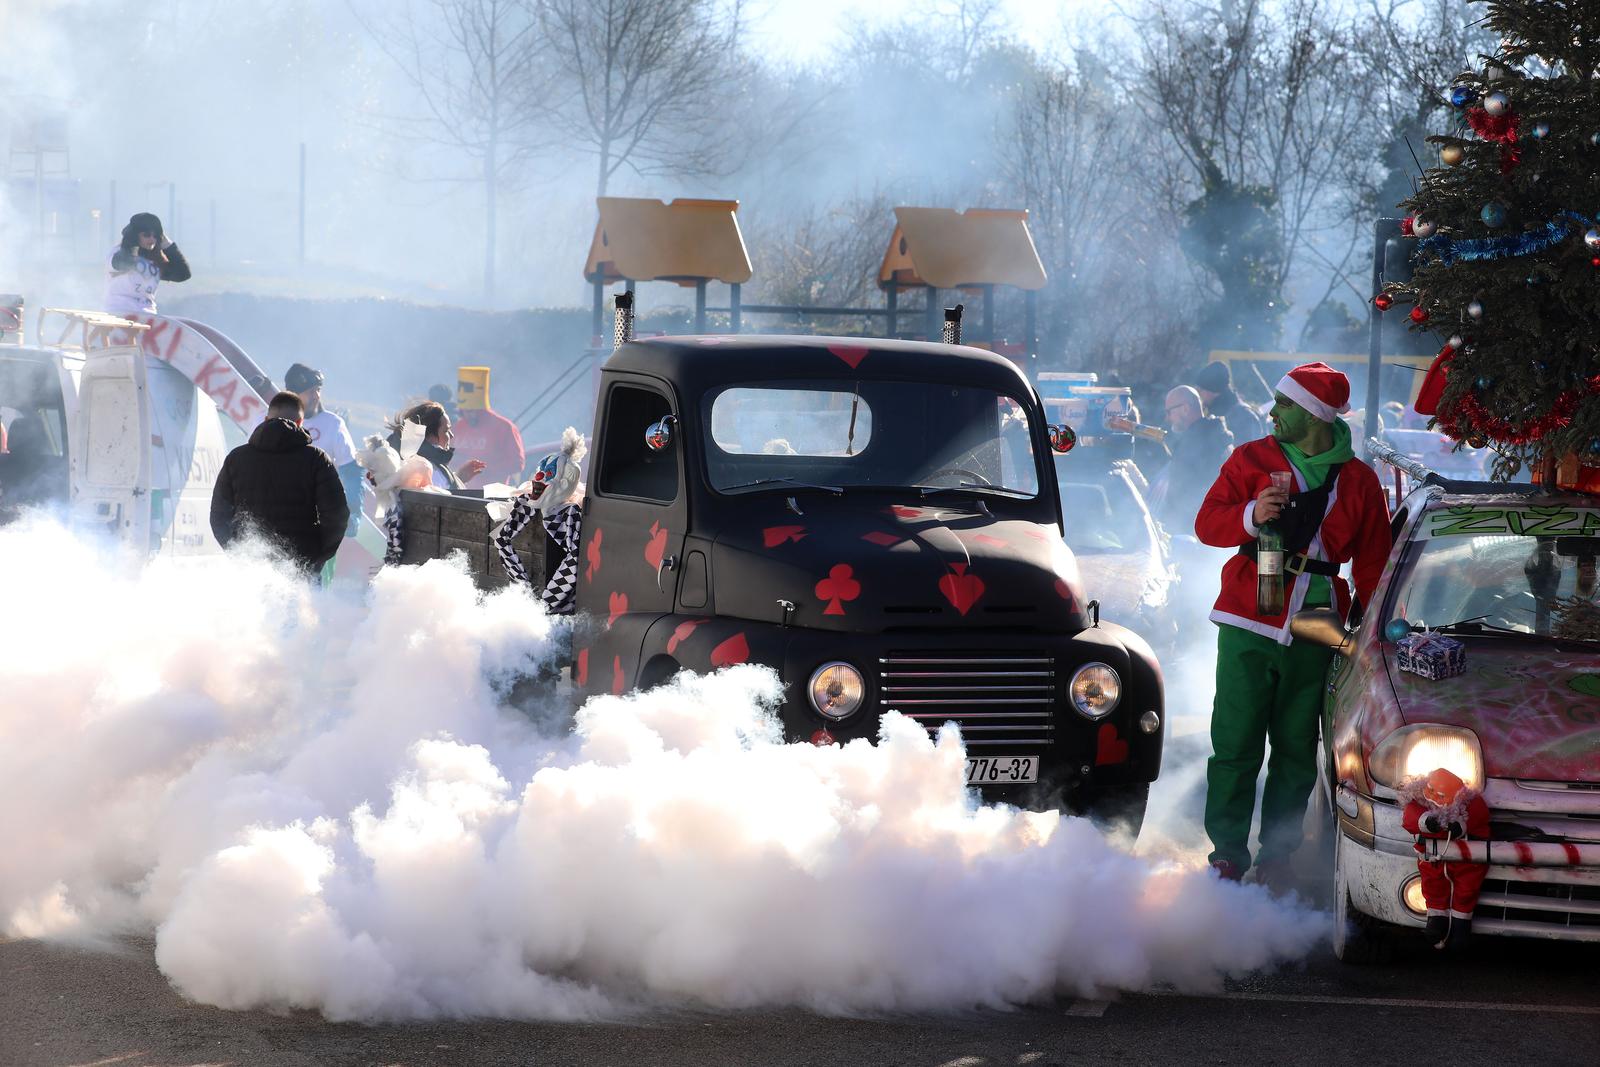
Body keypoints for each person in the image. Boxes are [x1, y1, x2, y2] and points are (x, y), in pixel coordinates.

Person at [1195, 362, 1390, 887]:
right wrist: (1250, 515)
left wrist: (1370, 635)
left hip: (1317, 627)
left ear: (1312, 414)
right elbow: (1206, 523)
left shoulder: (1360, 481)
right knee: (1234, 743)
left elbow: (1373, 564)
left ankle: (1277, 855)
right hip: (1246, 618)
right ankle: (1227, 854)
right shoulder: (1250, 458)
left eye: (1283, 405)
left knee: (1296, 751)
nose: (1271, 412)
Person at [210, 391, 349, 573]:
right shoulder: (316, 459)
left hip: (249, 566)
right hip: (301, 565)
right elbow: (336, 515)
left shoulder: (236, 458)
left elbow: (219, 515)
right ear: (300, 422)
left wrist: (237, 552)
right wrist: (316, 556)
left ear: (266, 419)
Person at [285, 363, 363, 542]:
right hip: (280, 516)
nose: (316, 396)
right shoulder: (270, 420)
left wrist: (352, 512)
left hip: (321, 522)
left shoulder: (333, 424)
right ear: (294, 394)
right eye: (310, 391)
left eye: (318, 390)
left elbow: (351, 471)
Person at [1155, 385, 1232, 528]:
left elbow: (1183, 495)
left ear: (1185, 408)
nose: (1167, 418)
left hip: (1195, 529)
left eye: (1169, 411)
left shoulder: (1197, 443)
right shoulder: (1214, 435)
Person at [386, 400, 486, 490]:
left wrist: (459, 478)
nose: (451, 435)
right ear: (429, 435)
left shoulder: (431, 465)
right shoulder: (418, 468)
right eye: (446, 430)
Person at [105, 212, 191, 317]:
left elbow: (183, 274)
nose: (152, 239)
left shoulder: (155, 259)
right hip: (120, 313)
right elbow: (124, 262)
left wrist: (167, 245)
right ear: (135, 235)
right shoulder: (117, 253)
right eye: (146, 235)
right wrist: (131, 241)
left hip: (148, 316)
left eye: (156, 236)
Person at [451, 365, 525, 485]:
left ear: (481, 408)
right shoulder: (457, 427)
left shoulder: (504, 427)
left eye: (472, 410)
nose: (468, 414)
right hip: (460, 493)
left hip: (491, 496)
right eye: (465, 410)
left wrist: (485, 469)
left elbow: (517, 464)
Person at [1194, 361, 1263, 443]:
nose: (1197, 395)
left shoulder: (1244, 418)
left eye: (1200, 390)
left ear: (1214, 391)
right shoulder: (1214, 413)